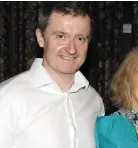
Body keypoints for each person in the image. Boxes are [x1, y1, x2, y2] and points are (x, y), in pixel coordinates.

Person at [0, 2, 104, 148]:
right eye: (61, 36)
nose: (72, 49)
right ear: (40, 38)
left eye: (80, 38)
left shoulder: (94, 101)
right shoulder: (7, 98)